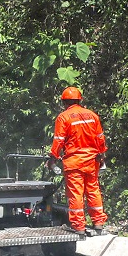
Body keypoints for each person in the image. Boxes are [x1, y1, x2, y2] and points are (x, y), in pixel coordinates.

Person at [48, 86, 108, 235]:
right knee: (93, 191)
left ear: (64, 102)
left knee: (76, 194)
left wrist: (52, 159)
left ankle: (78, 227)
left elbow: (59, 140)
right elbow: (100, 139)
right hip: (92, 161)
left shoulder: (64, 117)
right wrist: (101, 156)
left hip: (74, 162)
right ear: (80, 100)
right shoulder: (92, 115)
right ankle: (98, 223)